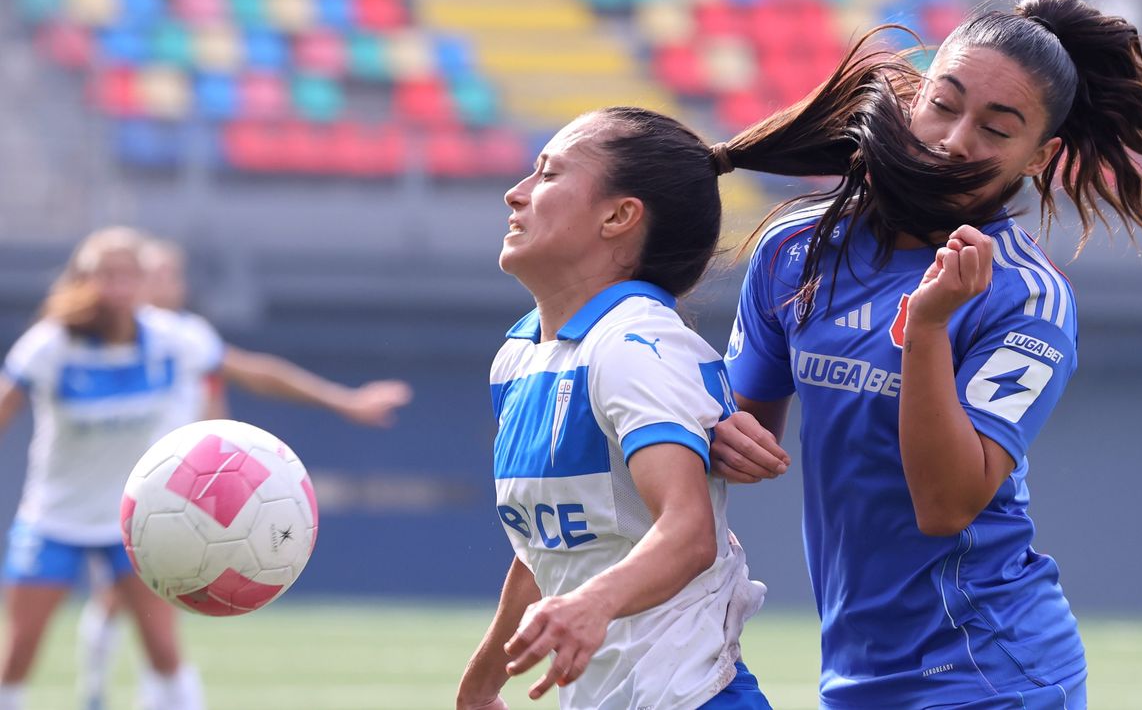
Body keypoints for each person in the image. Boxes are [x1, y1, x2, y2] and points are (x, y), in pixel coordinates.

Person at [706, 0, 1142, 708]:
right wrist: (711, 427)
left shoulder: (1025, 298)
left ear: (1041, 156)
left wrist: (928, 329)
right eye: (944, 103)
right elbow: (743, 434)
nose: (956, 138)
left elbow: (945, 505)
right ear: (914, 99)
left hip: (990, 672)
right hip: (855, 675)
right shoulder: (799, 248)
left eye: (998, 129)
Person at [456, 107, 785, 709]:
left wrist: (591, 604)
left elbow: (688, 534)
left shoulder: (637, 344)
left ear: (618, 215)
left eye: (549, 174)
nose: (517, 192)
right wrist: (485, 676)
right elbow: (547, 551)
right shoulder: (519, 358)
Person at [73, 236, 413, 710]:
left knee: (150, 607)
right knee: (123, 601)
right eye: (156, 274)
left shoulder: (186, 338)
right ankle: (100, 686)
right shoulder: (91, 341)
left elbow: (249, 375)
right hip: (139, 493)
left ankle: (142, 693)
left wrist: (343, 400)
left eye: (173, 275)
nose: (168, 284)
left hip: (187, 497)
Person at [0, 228, 214, 710]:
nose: (117, 286)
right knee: (19, 652)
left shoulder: (173, 338)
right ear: (84, 280)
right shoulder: (50, 344)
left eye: (128, 275)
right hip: (54, 517)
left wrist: (343, 402)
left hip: (135, 523)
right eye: (106, 275)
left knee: (163, 650)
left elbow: (251, 371)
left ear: (146, 281)